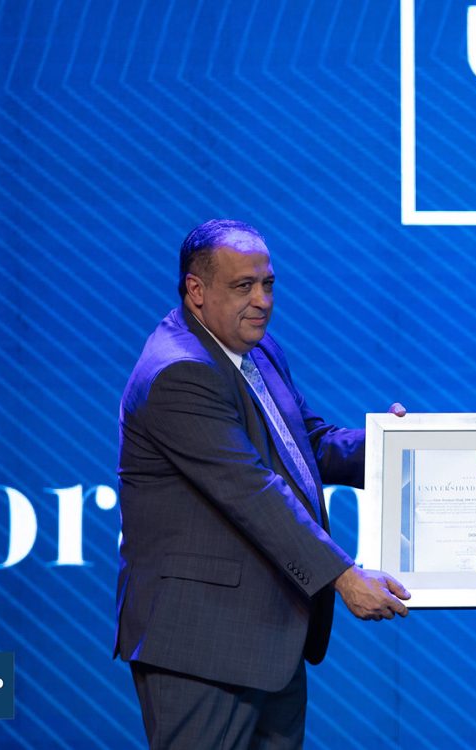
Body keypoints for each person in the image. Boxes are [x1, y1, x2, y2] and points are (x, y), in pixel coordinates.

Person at [115, 219, 411, 748]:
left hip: (269, 641)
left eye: (267, 284)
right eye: (242, 286)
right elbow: (252, 489)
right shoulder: (178, 372)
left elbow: (306, 445)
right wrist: (343, 576)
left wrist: (400, 451)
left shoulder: (257, 348)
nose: (261, 300)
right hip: (202, 650)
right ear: (196, 291)